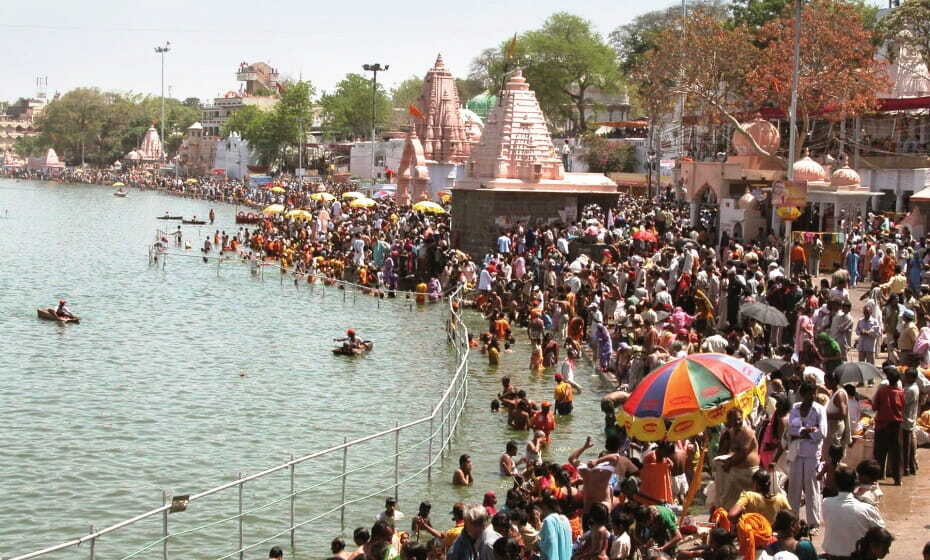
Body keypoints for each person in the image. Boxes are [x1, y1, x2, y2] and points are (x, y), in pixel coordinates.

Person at [787, 381, 826, 530]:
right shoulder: (795, 408)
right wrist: (805, 431)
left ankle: (813, 523)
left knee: (812, 488)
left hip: (812, 455)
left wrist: (802, 433)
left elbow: (822, 432)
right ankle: (792, 521)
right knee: (794, 488)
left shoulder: (819, 410)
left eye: (814, 393)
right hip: (796, 454)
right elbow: (791, 430)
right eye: (809, 393)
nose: (812, 396)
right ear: (802, 394)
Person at [822, 466, 885, 559]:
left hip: (832, 556)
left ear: (835, 484)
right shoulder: (867, 508)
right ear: (856, 483)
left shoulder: (826, 503)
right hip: (858, 556)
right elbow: (882, 532)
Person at [713, 408, 761, 510]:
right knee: (728, 500)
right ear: (728, 421)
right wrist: (726, 460)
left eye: (739, 419)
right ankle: (728, 521)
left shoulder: (747, 431)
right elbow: (732, 451)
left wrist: (729, 464)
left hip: (749, 472)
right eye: (734, 420)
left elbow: (743, 453)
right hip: (736, 471)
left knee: (751, 501)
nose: (737, 422)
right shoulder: (731, 432)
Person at [873, 368, 904, 485]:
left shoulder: (882, 391)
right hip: (896, 426)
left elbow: (874, 407)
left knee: (879, 452)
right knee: (896, 453)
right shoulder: (901, 393)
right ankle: (898, 479)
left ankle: (877, 477)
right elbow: (903, 408)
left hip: (882, 425)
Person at [902, 368, 920, 477]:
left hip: (906, 419)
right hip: (910, 418)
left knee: (906, 445)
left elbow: (902, 403)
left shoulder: (910, 390)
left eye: (907, 376)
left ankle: (907, 468)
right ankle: (911, 467)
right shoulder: (913, 387)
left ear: (912, 378)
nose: (905, 377)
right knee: (909, 444)